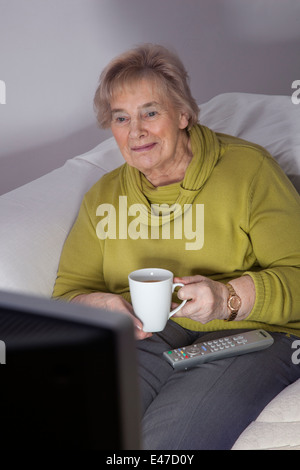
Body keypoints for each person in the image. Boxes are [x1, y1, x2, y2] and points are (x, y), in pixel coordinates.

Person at [52, 44, 300, 450]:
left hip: (255, 331)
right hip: (149, 333)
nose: (137, 131)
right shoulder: (105, 196)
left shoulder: (249, 170)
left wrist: (227, 299)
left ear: (183, 114)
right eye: (121, 118)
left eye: (150, 112)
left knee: (168, 443)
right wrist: (96, 305)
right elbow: (66, 293)